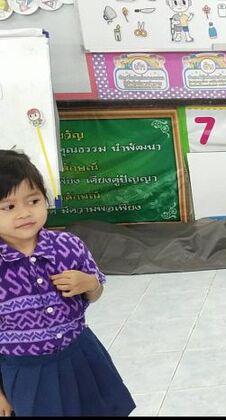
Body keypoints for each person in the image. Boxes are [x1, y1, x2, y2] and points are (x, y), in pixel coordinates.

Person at [0, 150, 135, 416]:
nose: (25, 213)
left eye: (33, 200)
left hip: (82, 355)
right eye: (9, 207)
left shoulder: (68, 245)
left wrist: (89, 284)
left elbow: (96, 291)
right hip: (27, 371)